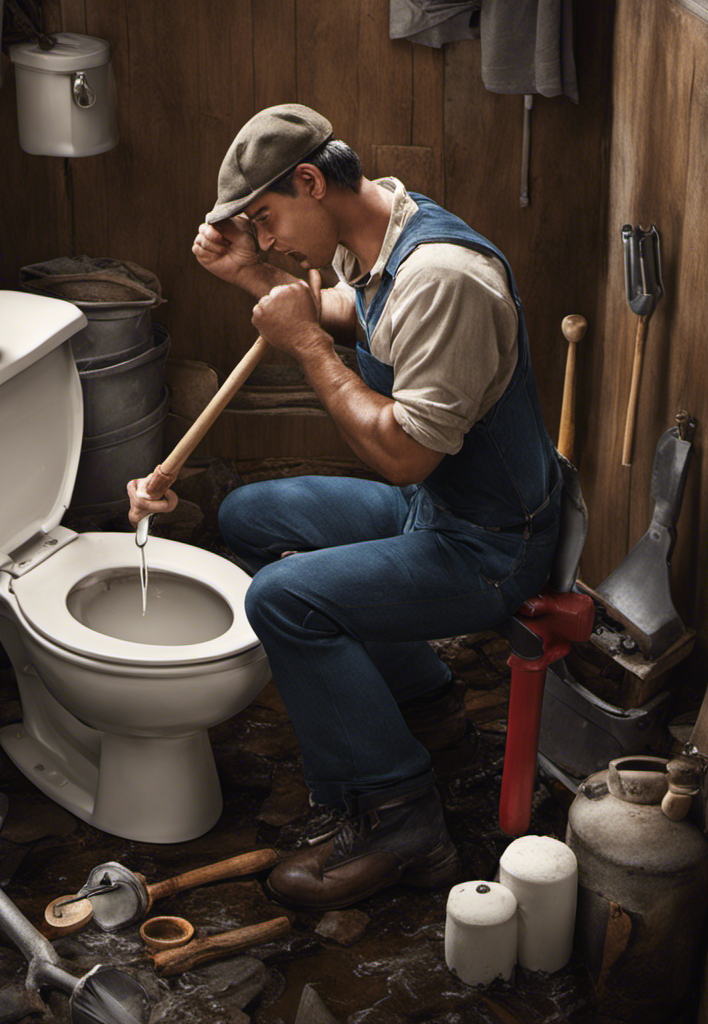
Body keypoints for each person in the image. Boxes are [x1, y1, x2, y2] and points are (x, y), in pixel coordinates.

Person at [128, 104, 562, 911]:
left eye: (268, 220)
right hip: (436, 511)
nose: (269, 241)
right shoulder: (387, 232)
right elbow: (354, 318)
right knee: (251, 517)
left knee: (282, 600)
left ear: (310, 180)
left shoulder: (443, 278)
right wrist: (252, 280)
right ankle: (423, 708)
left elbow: (401, 452)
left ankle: (401, 820)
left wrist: (307, 348)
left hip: (489, 546)